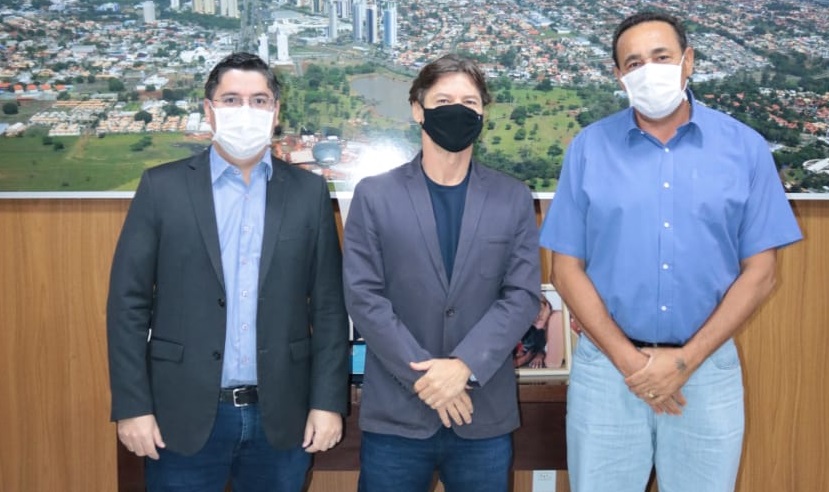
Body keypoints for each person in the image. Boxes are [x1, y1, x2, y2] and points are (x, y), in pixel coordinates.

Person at [539, 11, 802, 492]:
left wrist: (683, 362)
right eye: (634, 63)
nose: (649, 71)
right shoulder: (589, 148)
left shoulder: (745, 148)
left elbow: (762, 272)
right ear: (619, 75)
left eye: (661, 57)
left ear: (688, 61)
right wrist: (632, 364)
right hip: (608, 370)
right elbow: (565, 269)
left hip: (706, 368)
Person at [107, 52, 349, 492]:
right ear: (209, 109)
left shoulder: (308, 192)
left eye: (259, 101)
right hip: (180, 414)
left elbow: (330, 309)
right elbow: (128, 305)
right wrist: (132, 406)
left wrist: (328, 403)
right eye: (231, 99)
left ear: (275, 112)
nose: (245, 111)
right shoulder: (162, 188)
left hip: (283, 415)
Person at [342, 53, 541, 492]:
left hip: (482, 414)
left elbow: (522, 295)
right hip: (397, 416)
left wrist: (464, 366)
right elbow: (364, 297)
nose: (458, 110)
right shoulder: (374, 195)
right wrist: (428, 380)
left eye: (470, 102)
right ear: (418, 109)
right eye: (444, 100)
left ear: (483, 113)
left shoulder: (512, 197)